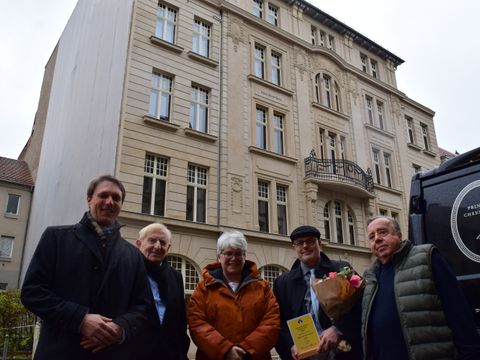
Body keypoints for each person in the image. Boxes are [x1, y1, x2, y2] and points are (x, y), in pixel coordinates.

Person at [21, 175, 151, 360]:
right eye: (103, 195)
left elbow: (143, 307)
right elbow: (32, 292)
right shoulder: (56, 238)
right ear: (89, 199)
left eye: (116, 198)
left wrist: (120, 327)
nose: (109, 201)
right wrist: (80, 320)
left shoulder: (133, 255)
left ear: (121, 204)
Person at [363, 216, 480, 360]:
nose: (377, 239)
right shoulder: (370, 277)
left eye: (382, 232)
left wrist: (471, 354)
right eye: (372, 236)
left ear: (398, 235)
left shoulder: (426, 257)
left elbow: (458, 311)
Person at [188, 230, 280, 360]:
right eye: (228, 253)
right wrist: (226, 350)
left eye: (238, 254)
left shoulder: (262, 287)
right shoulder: (204, 288)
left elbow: (272, 323)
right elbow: (197, 324)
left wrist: (245, 351)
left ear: (245, 257)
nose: (233, 258)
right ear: (219, 257)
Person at [274, 225, 362, 360]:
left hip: (342, 351)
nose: (305, 246)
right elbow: (279, 322)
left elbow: (361, 305)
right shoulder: (283, 283)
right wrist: (291, 344)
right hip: (304, 355)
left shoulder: (342, 270)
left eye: (310, 241)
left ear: (319, 243)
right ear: (294, 248)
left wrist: (337, 329)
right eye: (299, 243)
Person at [134, 223, 190, 359]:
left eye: (163, 242)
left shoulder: (176, 276)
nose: (157, 246)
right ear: (138, 243)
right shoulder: (129, 270)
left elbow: (180, 322)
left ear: (168, 248)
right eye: (152, 240)